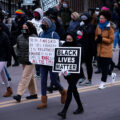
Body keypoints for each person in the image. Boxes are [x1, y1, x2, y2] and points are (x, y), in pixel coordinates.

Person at [36, 17, 67, 109]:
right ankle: (44, 101)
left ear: (48, 24)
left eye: (45, 22)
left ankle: (63, 91)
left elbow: (58, 47)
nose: (43, 24)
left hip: (52, 61)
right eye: (42, 22)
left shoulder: (54, 34)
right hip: (43, 61)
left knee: (54, 80)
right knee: (43, 81)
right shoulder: (41, 33)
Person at [57, 32, 84, 119]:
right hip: (67, 73)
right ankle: (80, 107)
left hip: (76, 73)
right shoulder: (63, 46)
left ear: (73, 39)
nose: (68, 41)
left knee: (70, 91)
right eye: (67, 39)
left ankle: (64, 111)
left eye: (70, 39)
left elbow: (81, 59)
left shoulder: (78, 46)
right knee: (74, 90)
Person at [13, 22, 38, 102]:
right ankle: (33, 94)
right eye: (23, 28)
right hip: (23, 60)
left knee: (25, 77)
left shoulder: (34, 37)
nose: (24, 29)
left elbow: (38, 49)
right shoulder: (20, 37)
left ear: (29, 28)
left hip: (31, 60)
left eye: (25, 28)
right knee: (30, 77)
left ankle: (19, 94)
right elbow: (17, 47)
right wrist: (18, 55)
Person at [95, 11, 114, 89]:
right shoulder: (98, 26)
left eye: (102, 18)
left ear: (106, 19)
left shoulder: (110, 28)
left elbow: (111, 40)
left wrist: (102, 39)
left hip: (106, 51)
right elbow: (96, 36)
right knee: (102, 67)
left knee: (104, 68)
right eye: (100, 18)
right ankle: (112, 74)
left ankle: (103, 83)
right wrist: (97, 39)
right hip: (99, 51)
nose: (100, 19)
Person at [76, 13, 95, 85]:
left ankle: (89, 79)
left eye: (85, 18)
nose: (83, 20)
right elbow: (77, 32)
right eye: (82, 18)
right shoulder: (81, 24)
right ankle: (82, 76)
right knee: (78, 63)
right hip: (82, 47)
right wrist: (79, 30)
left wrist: (83, 28)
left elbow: (88, 33)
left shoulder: (91, 26)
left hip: (89, 48)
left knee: (88, 65)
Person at [0, 23, 13, 97]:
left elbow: (9, 48)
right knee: (3, 73)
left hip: (3, 58)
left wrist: (9, 60)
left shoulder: (4, 36)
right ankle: (9, 89)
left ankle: (9, 89)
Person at [30, 8, 43, 78]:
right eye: (35, 14)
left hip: (42, 41)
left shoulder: (43, 21)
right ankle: (38, 72)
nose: (35, 16)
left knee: (41, 58)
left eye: (37, 14)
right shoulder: (32, 21)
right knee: (36, 58)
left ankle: (42, 71)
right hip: (34, 41)